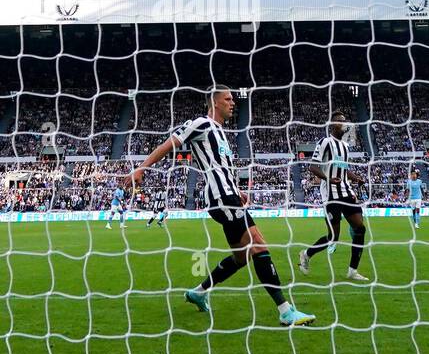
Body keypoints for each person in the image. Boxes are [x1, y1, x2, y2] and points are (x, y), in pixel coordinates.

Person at [128, 86, 314, 326]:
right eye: (227, 99)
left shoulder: (221, 133)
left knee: (241, 257)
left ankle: (199, 291)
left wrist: (238, 191)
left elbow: (222, 169)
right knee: (258, 245)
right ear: (215, 102)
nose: (232, 103)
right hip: (221, 199)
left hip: (229, 197)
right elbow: (168, 144)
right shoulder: (200, 124)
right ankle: (285, 310)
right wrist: (142, 168)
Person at [298, 112, 370, 283]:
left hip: (346, 192)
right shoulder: (325, 142)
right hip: (331, 194)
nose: (344, 124)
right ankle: (306, 254)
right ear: (332, 125)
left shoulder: (345, 146)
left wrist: (356, 178)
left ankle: (352, 270)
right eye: (340, 121)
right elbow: (313, 167)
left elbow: (344, 169)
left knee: (360, 229)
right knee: (333, 237)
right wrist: (329, 179)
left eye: (345, 121)